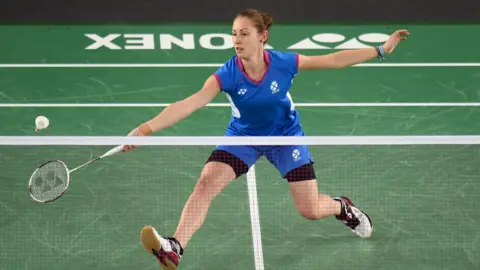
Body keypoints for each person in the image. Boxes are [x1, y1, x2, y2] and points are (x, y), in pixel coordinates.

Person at [122, 8, 409, 270]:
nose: (238, 40)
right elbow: (190, 103)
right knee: (206, 182)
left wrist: (380, 50)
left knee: (310, 210)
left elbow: (332, 60)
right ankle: (175, 247)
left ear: (263, 37)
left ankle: (342, 208)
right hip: (243, 137)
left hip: (286, 137)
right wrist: (144, 130)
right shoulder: (228, 74)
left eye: (245, 33)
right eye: (234, 34)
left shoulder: (284, 63)